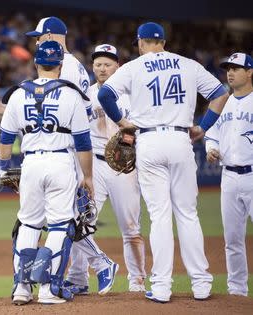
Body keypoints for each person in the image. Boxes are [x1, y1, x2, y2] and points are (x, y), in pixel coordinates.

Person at [98, 22, 229, 303]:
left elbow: (104, 94)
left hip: (149, 141)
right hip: (181, 139)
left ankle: (160, 286)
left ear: (141, 43)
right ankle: (201, 283)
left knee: (159, 216)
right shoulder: (188, 64)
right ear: (164, 42)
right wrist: (203, 127)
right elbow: (220, 94)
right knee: (188, 213)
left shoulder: (133, 67)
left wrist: (122, 122)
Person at [0, 40, 93, 305]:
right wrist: (88, 176)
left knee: (28, 223)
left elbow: (5, 141)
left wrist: (4, 170)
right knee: (61, 224)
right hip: (61, 162)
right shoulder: (72, 94)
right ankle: (49, 289)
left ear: (36, 63)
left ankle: (21, 288)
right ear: (60, 66)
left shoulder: (17, 94)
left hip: (30, 164)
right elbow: (83, 143)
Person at [65, 44, 146, 294]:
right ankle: (78, 278)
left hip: (123, 166)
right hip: (93, 164)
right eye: (98, 63)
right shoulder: (84, 94)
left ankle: (137, 279)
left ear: (118, 67)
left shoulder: (131, 95)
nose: (102, 68)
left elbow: (142, 127)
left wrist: (132, 140)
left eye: (108, 64)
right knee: (82, 222)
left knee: (131, 226)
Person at [205, 52, 253, 297]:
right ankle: (237, 292)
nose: (230, 72)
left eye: (236, 68)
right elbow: (211, 132)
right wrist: (211, 148)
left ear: (250, 72)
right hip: (230, 177)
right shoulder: (223, 103)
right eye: (228, 69)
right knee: (232, 239)